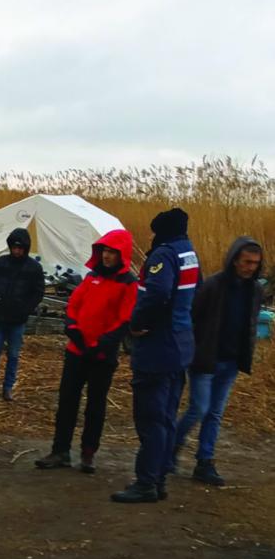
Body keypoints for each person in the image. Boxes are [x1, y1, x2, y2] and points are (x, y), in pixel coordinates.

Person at [112, 208, 199, 504]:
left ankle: (146, 482)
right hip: (180, 347)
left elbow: (157, 293)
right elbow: (192, 295)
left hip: (158, 348)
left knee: (150, 418)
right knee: (167, 417)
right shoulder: (189, 253)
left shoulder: (163, 255)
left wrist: (137, 324)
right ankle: (159, 479)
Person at [35, 230, 137, 473]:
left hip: (102, 356)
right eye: (105, 251)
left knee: (95, 405)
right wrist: (73, 328)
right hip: (77, 350)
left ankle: (88, 453)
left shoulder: (128, 284)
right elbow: (75, 304)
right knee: (67, 401)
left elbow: (125, 319)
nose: (107, 256)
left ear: (122, 255)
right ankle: (60, 451)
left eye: (112, 252)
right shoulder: (91, 277)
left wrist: (104, 343)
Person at [173, 237, 263, 486]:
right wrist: (191, 350)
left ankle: (205, 462)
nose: (250, 267)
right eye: (246, 262)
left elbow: (251, 324)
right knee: (199, 409)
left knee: (215, 413)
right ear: (235, 259)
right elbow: (192, 317)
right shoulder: (213, 285)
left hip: (232, 361)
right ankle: (171, 447)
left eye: (255, 263)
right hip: (205, 359)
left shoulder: (255, 290)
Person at [0, 228, 45, 401]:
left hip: (17, 320)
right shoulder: (0, 264)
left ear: (26, 248)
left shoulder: (34, 268)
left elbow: (38, 292)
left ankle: (8, 387)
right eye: (14, 247)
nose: (17, 251)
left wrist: (26, 309)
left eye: (20, 248)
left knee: (13, 355)